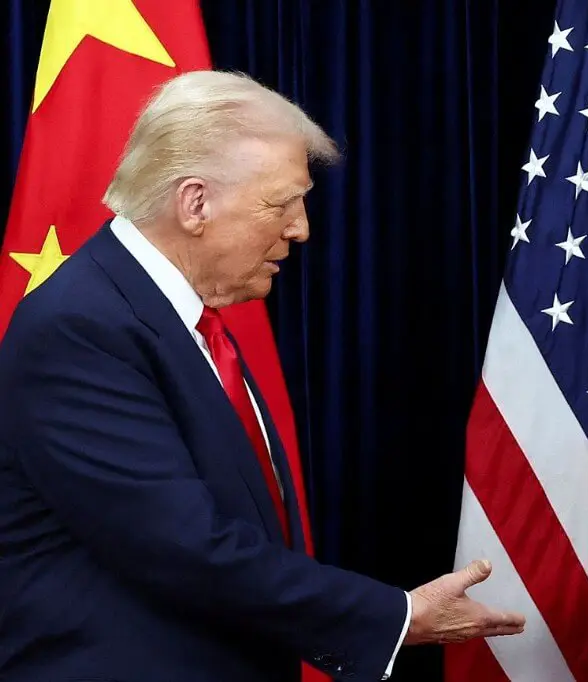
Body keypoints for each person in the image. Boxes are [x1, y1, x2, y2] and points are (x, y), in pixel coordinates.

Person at [0, 70, 523, 682]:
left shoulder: (175, 317)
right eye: (281, 203)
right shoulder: (82, 327)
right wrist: (395, 617)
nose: (301, 228)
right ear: (195, 202)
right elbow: (183, 546)